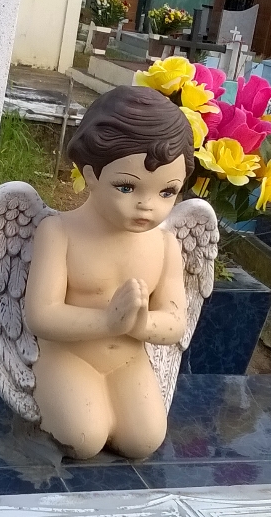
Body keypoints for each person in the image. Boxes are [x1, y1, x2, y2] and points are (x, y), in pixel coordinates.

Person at [24, 85, 193, 459]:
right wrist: (108, 321)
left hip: (129, 360)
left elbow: (175, 321)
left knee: (143, 440)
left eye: (167, 192)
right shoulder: (59, 232)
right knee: (84, 438)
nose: (147, 206)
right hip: (69, 356)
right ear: (91, 175)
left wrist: (139, 324)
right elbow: (40, 315)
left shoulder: (165, 245)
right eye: (127, 187)